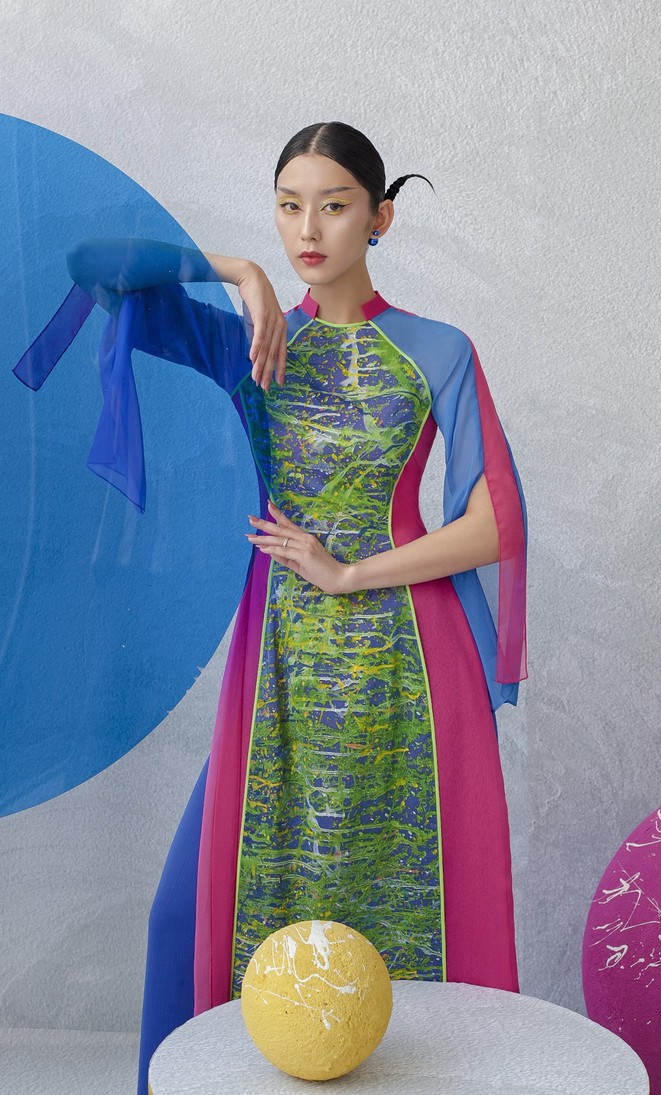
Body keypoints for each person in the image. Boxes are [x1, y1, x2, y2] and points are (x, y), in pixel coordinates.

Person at [13, 121, 528, 1094]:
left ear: (379, 218)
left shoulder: (437, 350)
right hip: (279, 658)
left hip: (405, 664)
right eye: (289, 207)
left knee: (399, 907)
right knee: (187, 915)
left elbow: (495, 520)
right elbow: (88, 262)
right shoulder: (249, 341)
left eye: (333, 205)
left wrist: (348, 573)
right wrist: (237, 271)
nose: (309, 229)